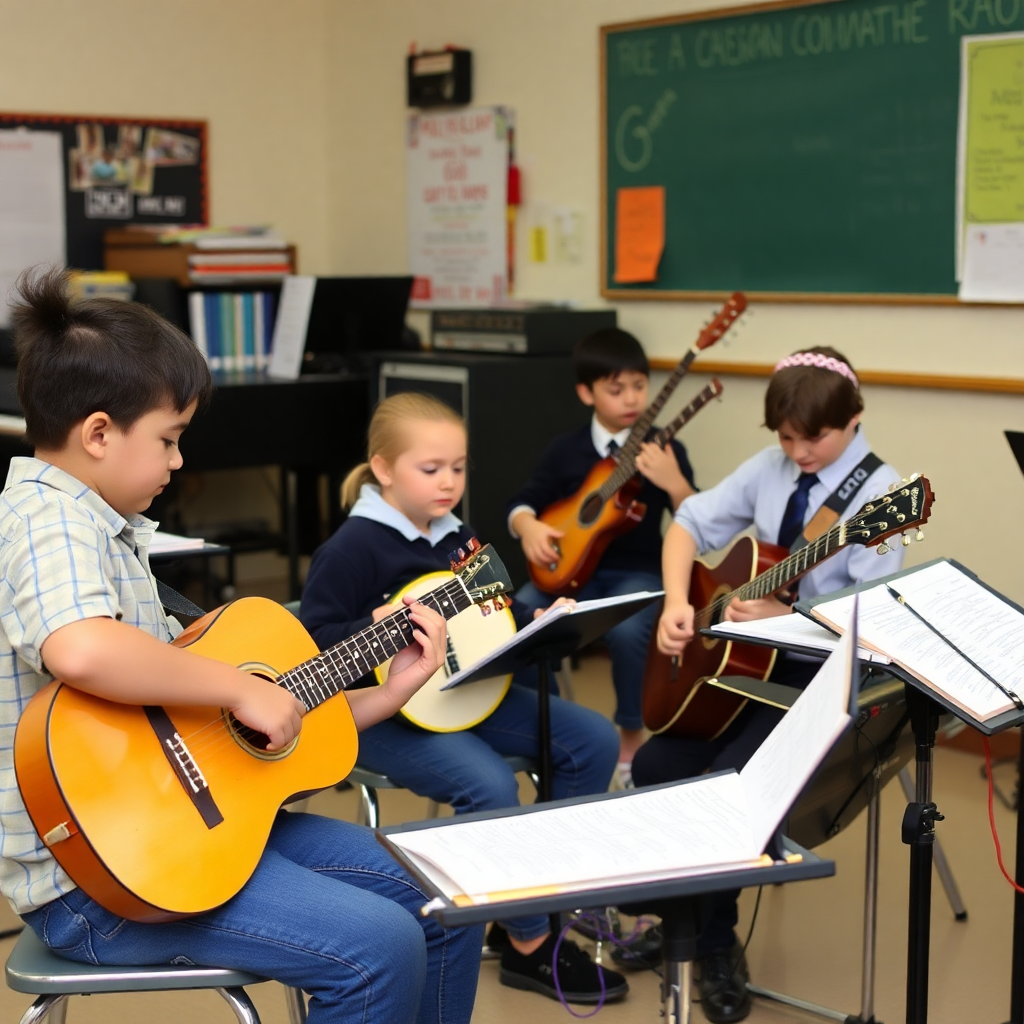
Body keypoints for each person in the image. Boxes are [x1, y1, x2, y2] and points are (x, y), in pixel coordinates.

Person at [0, 266, 481, 1024]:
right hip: (101, 879)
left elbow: (231, 737)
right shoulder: (46, 519)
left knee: (445, 890)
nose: (178, 462)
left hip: (184, 831)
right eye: (169, 439)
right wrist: (238, 687)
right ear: (98, 433)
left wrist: (389, 692)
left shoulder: (100, 530)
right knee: (378, 946)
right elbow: (80, 649)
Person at [299, 391, 628, 1005]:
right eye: (431, 470)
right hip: (387, 714)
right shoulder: (352, 548)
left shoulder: (458, 538)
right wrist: (378, 632)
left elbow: (499, 605)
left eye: (458, 467)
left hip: (470, 691)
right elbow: (315, 648)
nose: (448, 482)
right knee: (491, 787)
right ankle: (530, 942)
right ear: (383, 469)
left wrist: (542, 618)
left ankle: (534, 899)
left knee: (593, 741)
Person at [627, 346, 905, 1024]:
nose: (800, 452)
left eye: (816, 438)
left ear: (855, 418)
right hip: (747, 666)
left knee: (729, 783)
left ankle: (714, 944)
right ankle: (681, 917)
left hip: (822, 675)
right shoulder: (772, 467)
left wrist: (793, 615)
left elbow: (877, 619)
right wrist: (675, 604)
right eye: (785, 438)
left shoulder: (882, 494)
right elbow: (689, 524)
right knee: (658, 762)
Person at [506, 327, 696, 783]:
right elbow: (523, 501)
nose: (631, 398)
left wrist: (674, 483)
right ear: (586, 392)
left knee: (630, 631)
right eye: (616, 389)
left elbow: (698, 522)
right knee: (521, 619)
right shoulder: (566, 451)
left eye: (639, 385)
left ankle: (630, 732)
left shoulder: (663, 448)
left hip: (635, 571)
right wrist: (527, 525)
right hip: (567, 574)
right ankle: (553, 721)